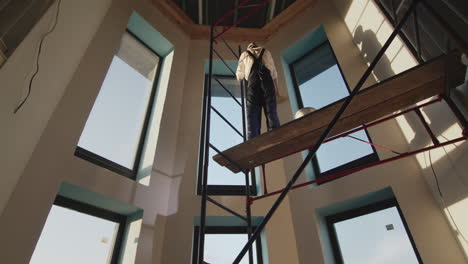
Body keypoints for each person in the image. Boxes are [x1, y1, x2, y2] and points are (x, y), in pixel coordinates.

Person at [236, 42, 282, 139]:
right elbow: (274, 73)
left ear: (249, 47)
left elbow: (239, 76)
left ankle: (253, 140)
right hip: (267, 82)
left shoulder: (244, 54)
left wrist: (241, 77)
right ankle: (276, 136)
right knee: (271, 110)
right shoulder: (267, 52)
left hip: (253, 84)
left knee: (252, 113)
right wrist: (277, 91)